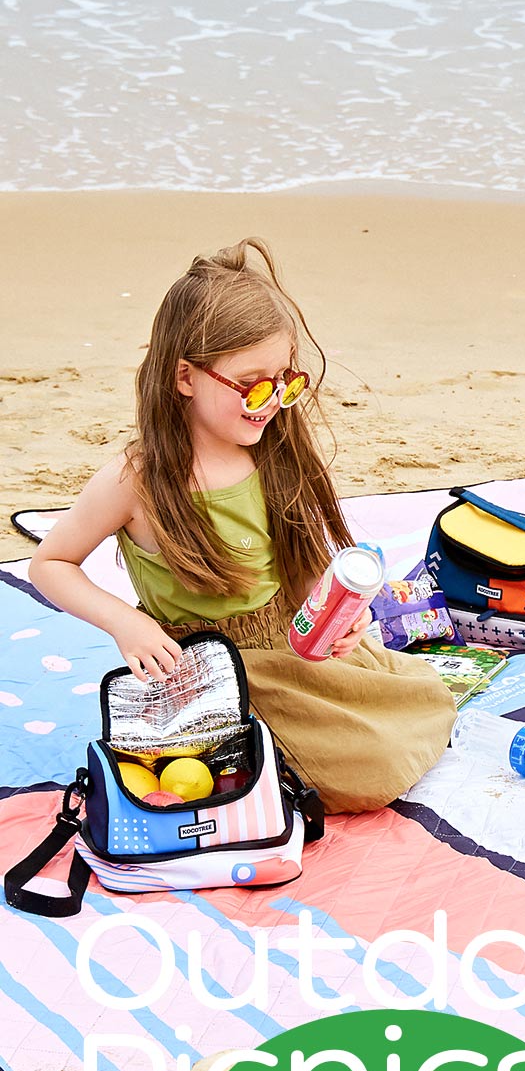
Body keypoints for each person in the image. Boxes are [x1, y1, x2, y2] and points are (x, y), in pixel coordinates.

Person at [28, 239, 456, 813]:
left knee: (424, 699)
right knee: (365, 770)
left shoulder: (272, 452)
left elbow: (296, 566)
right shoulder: (136, 479)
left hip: (291, 644)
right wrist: (126, 623)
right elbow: (50, 563)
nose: (272, 401)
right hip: (205, 671)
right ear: (185, 377)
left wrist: (335, 617)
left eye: (285, 381)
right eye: (253, 383)